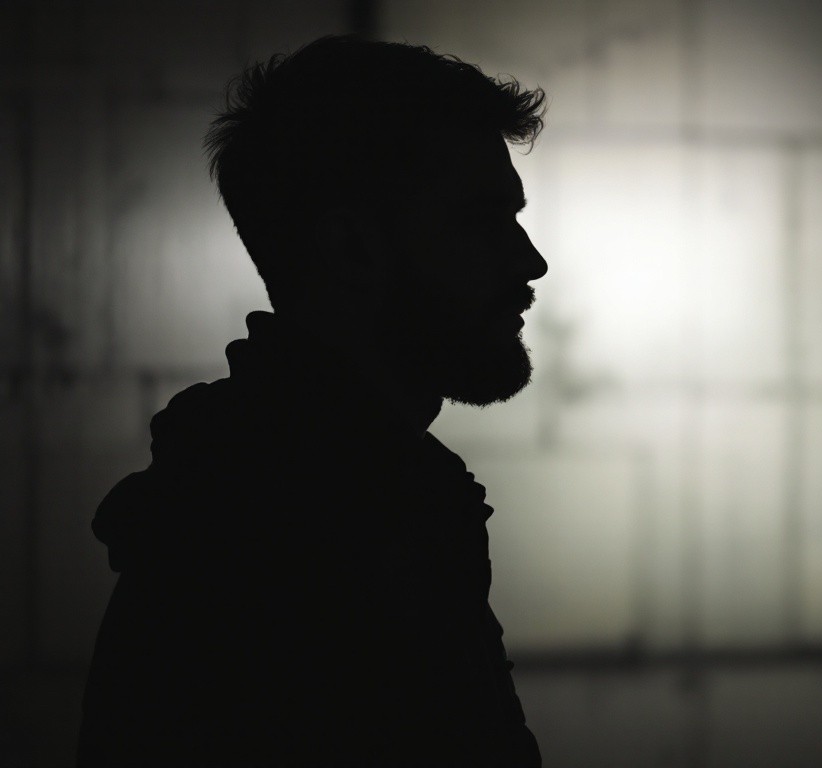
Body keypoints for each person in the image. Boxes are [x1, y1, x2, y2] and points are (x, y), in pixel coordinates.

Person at [77, 35, 548, 767]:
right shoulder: (282, 552)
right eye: (482, 220)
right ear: (352, 250)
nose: (530, 262)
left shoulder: (342, 501)